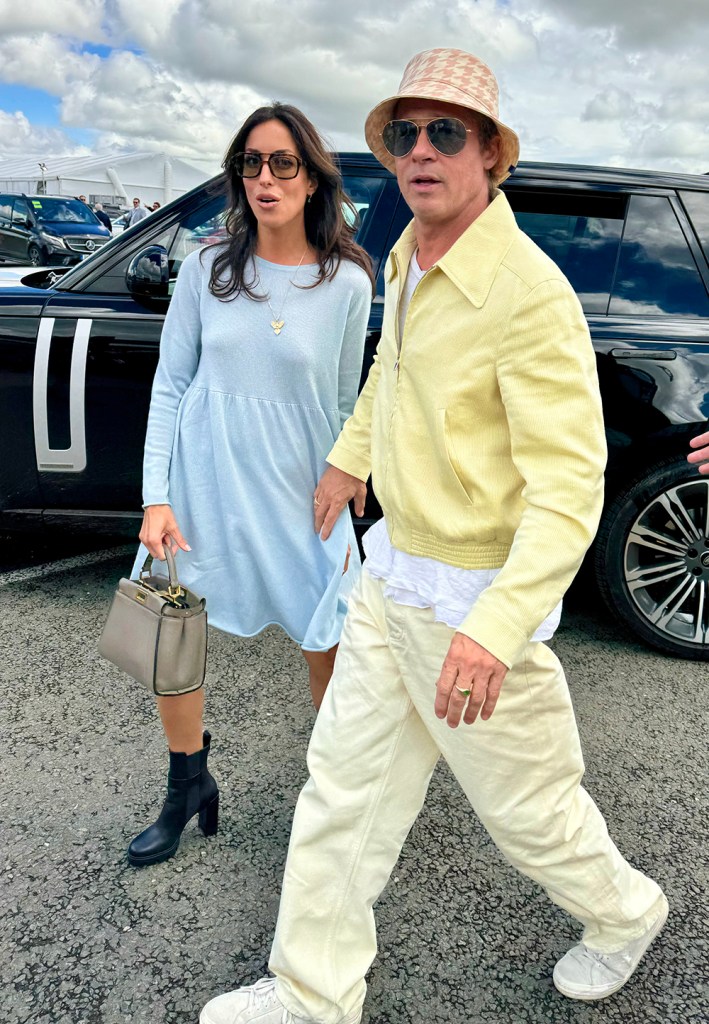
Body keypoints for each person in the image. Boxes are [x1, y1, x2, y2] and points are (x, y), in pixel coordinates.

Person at [200, 49, 668, 1024]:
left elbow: (569, 485)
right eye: (404, 134)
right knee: (341, 793)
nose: (420, 151)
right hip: (389, 579)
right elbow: (392, 375)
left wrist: (493, 630)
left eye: (445, 132)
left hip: (469, 602)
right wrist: (349, 457)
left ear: (491, 154)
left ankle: (625, 910)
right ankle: (309, 990)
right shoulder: (413, 250)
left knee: (529, 816)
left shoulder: (528, 295)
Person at [125, 102, 373, 869]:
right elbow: (171, 384)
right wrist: (154, 496)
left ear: (311, 179)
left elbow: (343, 400)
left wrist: (351, 470)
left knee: (329, 638)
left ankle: (333, 806)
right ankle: (186, 783)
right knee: (169, 632)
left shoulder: (348, 282)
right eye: (251, 163)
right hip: (202, 484)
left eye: (282, 163)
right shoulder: (206, 269)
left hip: (300, 488)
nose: (265, 178)